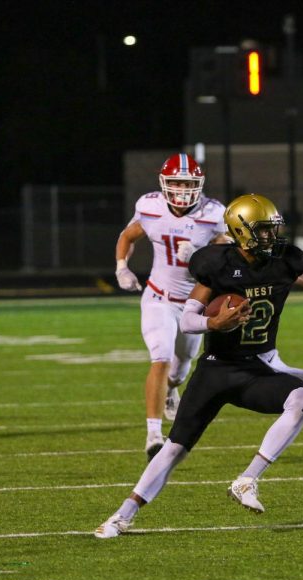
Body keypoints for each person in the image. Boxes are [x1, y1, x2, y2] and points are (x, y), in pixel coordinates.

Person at [95, 193, 303, 538]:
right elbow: (187, 320)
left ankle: (247, 480)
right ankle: (122, 515)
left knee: (301, 399)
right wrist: (212, 325)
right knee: (175, 449)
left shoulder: (282, 262)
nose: (271, 237)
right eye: (263, 230)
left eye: (272, 230)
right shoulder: (218, 265)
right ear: (241, 231)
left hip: (255, 369)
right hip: (216, 368)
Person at [114, 153, 229, 462]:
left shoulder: (213, 212)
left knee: (180, 371)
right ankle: (153, 435)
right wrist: (122, 267)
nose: (181, 190)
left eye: (187, 183)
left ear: (199, 184)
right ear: (164, 184)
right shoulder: (150, 206)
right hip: (158, 297)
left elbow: (231, 255)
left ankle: (170, 390)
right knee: (160, 358)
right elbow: (128, 235)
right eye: (176, 182)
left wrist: (201, 253)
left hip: (194, 304)